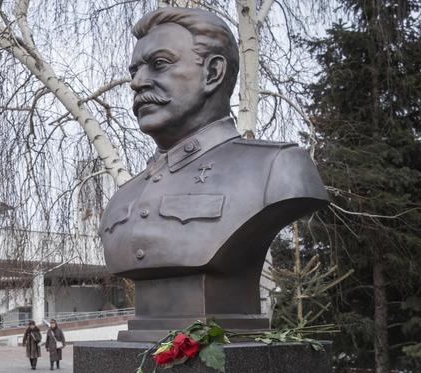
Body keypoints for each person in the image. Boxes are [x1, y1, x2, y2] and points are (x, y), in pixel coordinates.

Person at [100, 8, 328, 340]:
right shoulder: (124, 196)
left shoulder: (278, 168)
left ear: (213, 72)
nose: (137, 82)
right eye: (134, 70)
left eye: (159, 64)